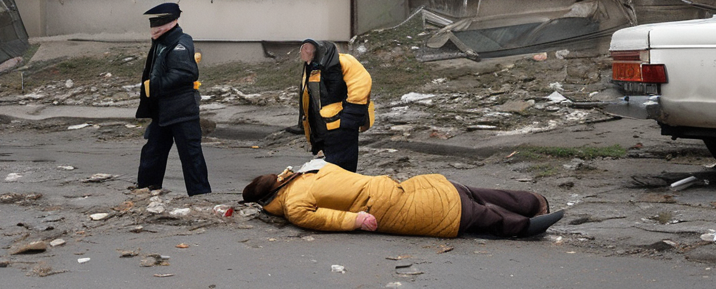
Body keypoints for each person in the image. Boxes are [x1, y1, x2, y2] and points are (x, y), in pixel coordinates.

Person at [242, 161, 565, 239]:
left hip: (391, 188)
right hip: (383, 206)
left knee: (457, 191)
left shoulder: (302, 176)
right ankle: (525, 223)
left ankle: (528, 204)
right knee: (459, 209)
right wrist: (356, 220)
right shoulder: (294, 203)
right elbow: (322, 219)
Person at [134, 3, 210, 196]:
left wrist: (156, 85)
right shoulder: (163, 41)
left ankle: (200, 196)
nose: (154, 28)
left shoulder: (179, 43)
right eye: (153, 23)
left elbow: (185, 73)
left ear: (173, 22)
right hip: (163, 110)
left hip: (182, 110)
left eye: (160, 23)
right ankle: (147, 190)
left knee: (191, 156)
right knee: (153, 152)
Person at [298, 39, 373, 172]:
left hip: (341, 123)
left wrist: (350, 117)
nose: (305, 53)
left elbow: (360, 85)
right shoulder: (312, 68)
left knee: (342, 165)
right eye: (304, 49)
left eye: (308, 49)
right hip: (324, 126)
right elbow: (308, 98)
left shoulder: (344, 61)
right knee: (330, 165)